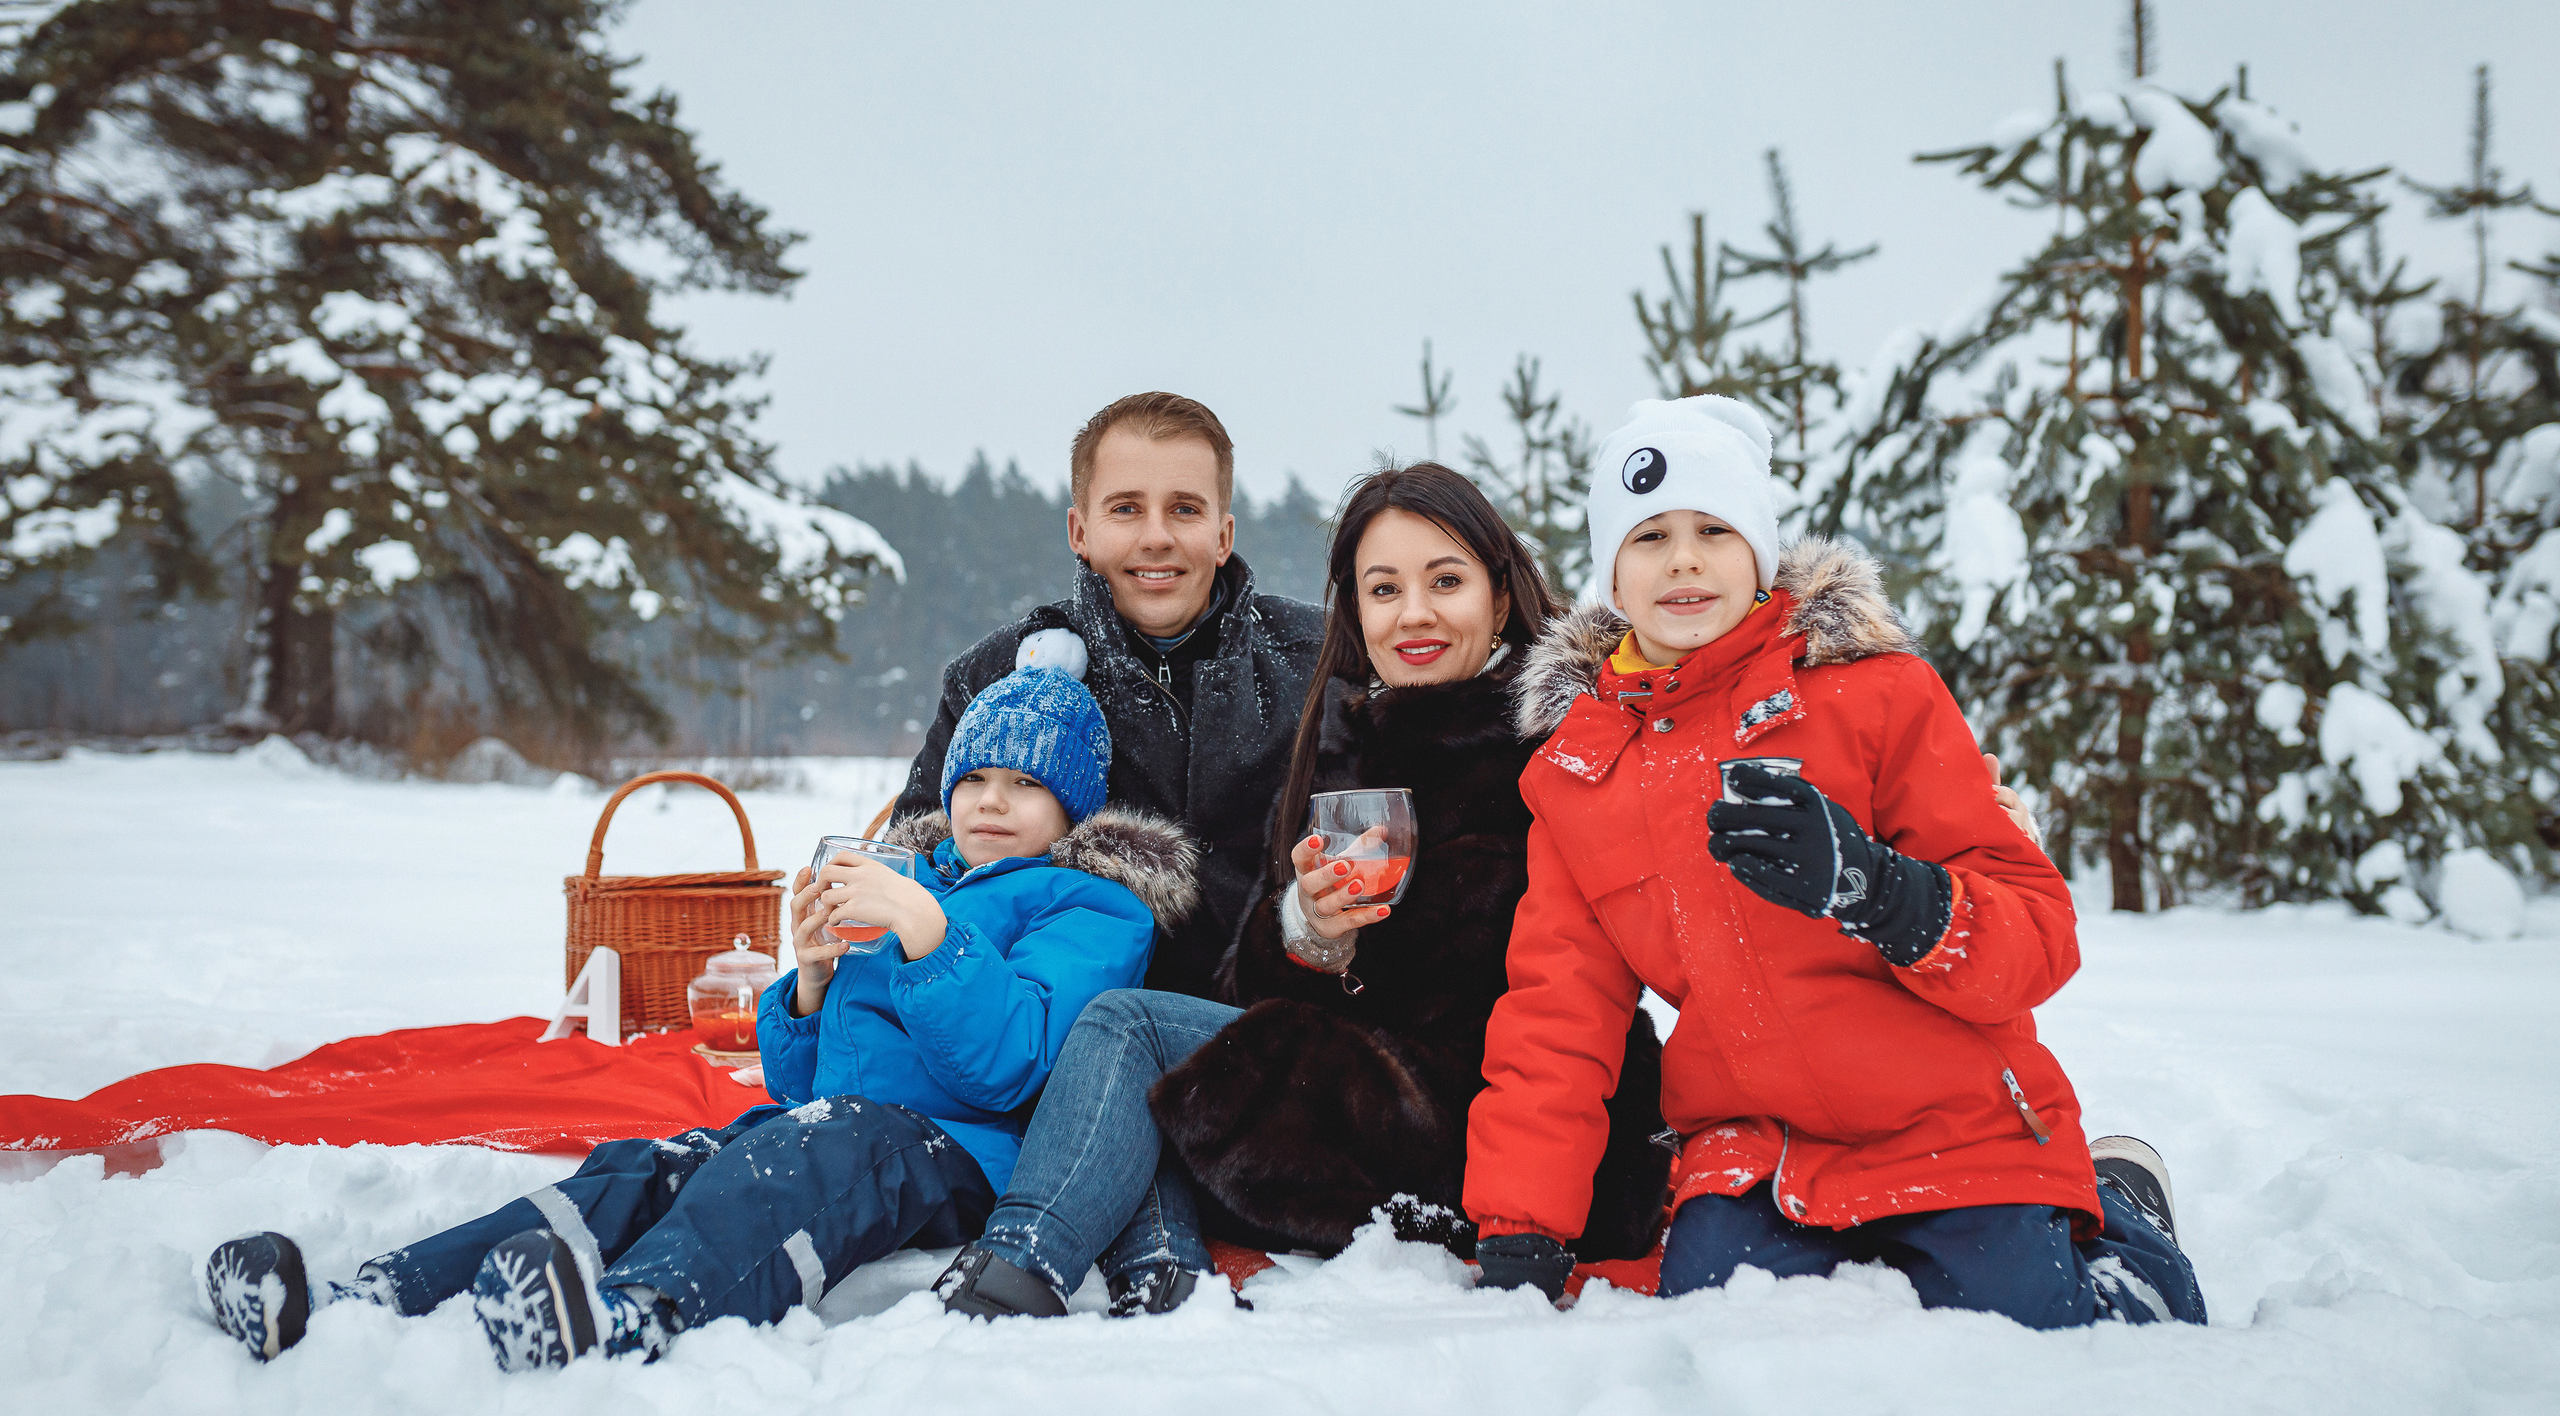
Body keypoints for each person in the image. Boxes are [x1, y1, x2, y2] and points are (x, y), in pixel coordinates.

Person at [1462, 396, 2206, 1328]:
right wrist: (1521, 1224)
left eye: (1714, 530)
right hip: (1758, 1149)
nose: (1684, 559)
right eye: (1649, 535)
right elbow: (1556, 1012)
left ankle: (2122, 1213)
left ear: (1761, 550)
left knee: (2036, 1335)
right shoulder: (1579, 774)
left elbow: (2040, 934)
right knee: (1730, 1332)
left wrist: (1880, 889)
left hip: (1951, 1118)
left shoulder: (1876, 693)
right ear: (1611, 568)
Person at [204, 667, 1195, 1367]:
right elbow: (805, 1087)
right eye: (975, 777)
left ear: (1071, 807)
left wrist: (931, 935)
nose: (990, 801)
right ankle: (379, 1295)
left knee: (798, 1160)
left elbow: (1012, 1067)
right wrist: (807, 985)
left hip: (963, 1158)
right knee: (655, 1163)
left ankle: (643, 1313)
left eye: (1027, 785)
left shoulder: (1090, 906)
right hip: (847, 1134)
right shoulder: (914, 876)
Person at [923, 465, 1671, 1321]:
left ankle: (1018, 1262)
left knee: (1131, 1028)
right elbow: (1253, 988)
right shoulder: (1345, 746)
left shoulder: (1555, 742)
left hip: (1512, 1128)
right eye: (1384, 588)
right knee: (1155, 1050)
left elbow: (1561, 985)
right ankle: (1150, 1258)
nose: (1414, 613)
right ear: (1357, 610)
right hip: (1383, 1099)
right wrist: (1311, 930)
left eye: (1446, 581)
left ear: (1500, 600)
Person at [890, 392, 1323, 997]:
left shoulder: (1317, 663)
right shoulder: (996, 678)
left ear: (1223, 535)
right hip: (1052, 1039)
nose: (1156, 538)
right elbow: (914, 873)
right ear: (1080, 530)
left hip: (1273, 1028)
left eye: (1185, 510)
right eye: (1125, 508)